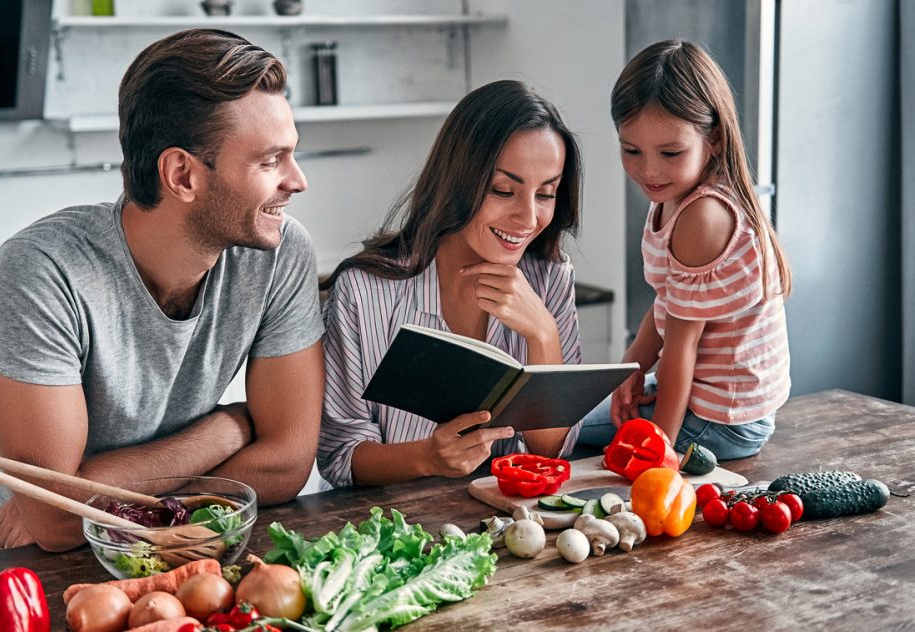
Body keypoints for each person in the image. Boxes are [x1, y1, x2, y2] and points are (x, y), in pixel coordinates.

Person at [0, 29, 324, 555]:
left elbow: (286, 464)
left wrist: (128, 502)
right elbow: (56, 523)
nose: (297, 180)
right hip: (16, 553)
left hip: (165, 538)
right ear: (181, 175)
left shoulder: (280, 251)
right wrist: (228, 429)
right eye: (270, 161)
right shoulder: (43, 268)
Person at [318, 80, 585, 488]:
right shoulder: (363, 291)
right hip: (394, 527)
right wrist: (426, 457)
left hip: (510, 525)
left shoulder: (550, 279)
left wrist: (543, 334)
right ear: (458, 180)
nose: (528, 218)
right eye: (503, 190)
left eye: (546, 194)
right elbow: (341, 457)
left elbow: (553, 451)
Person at [578, 40, 792, 459]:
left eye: (670, 152)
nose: (649, 170)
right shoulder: (674, 193)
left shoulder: (703, 216)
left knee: (552, 428)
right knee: (558, 418)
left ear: (712, 138)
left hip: (723, 419)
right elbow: (668, 302)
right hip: (704, 396)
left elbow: (681, 347)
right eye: (631, 150)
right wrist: (631, 371)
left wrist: (658, 454)